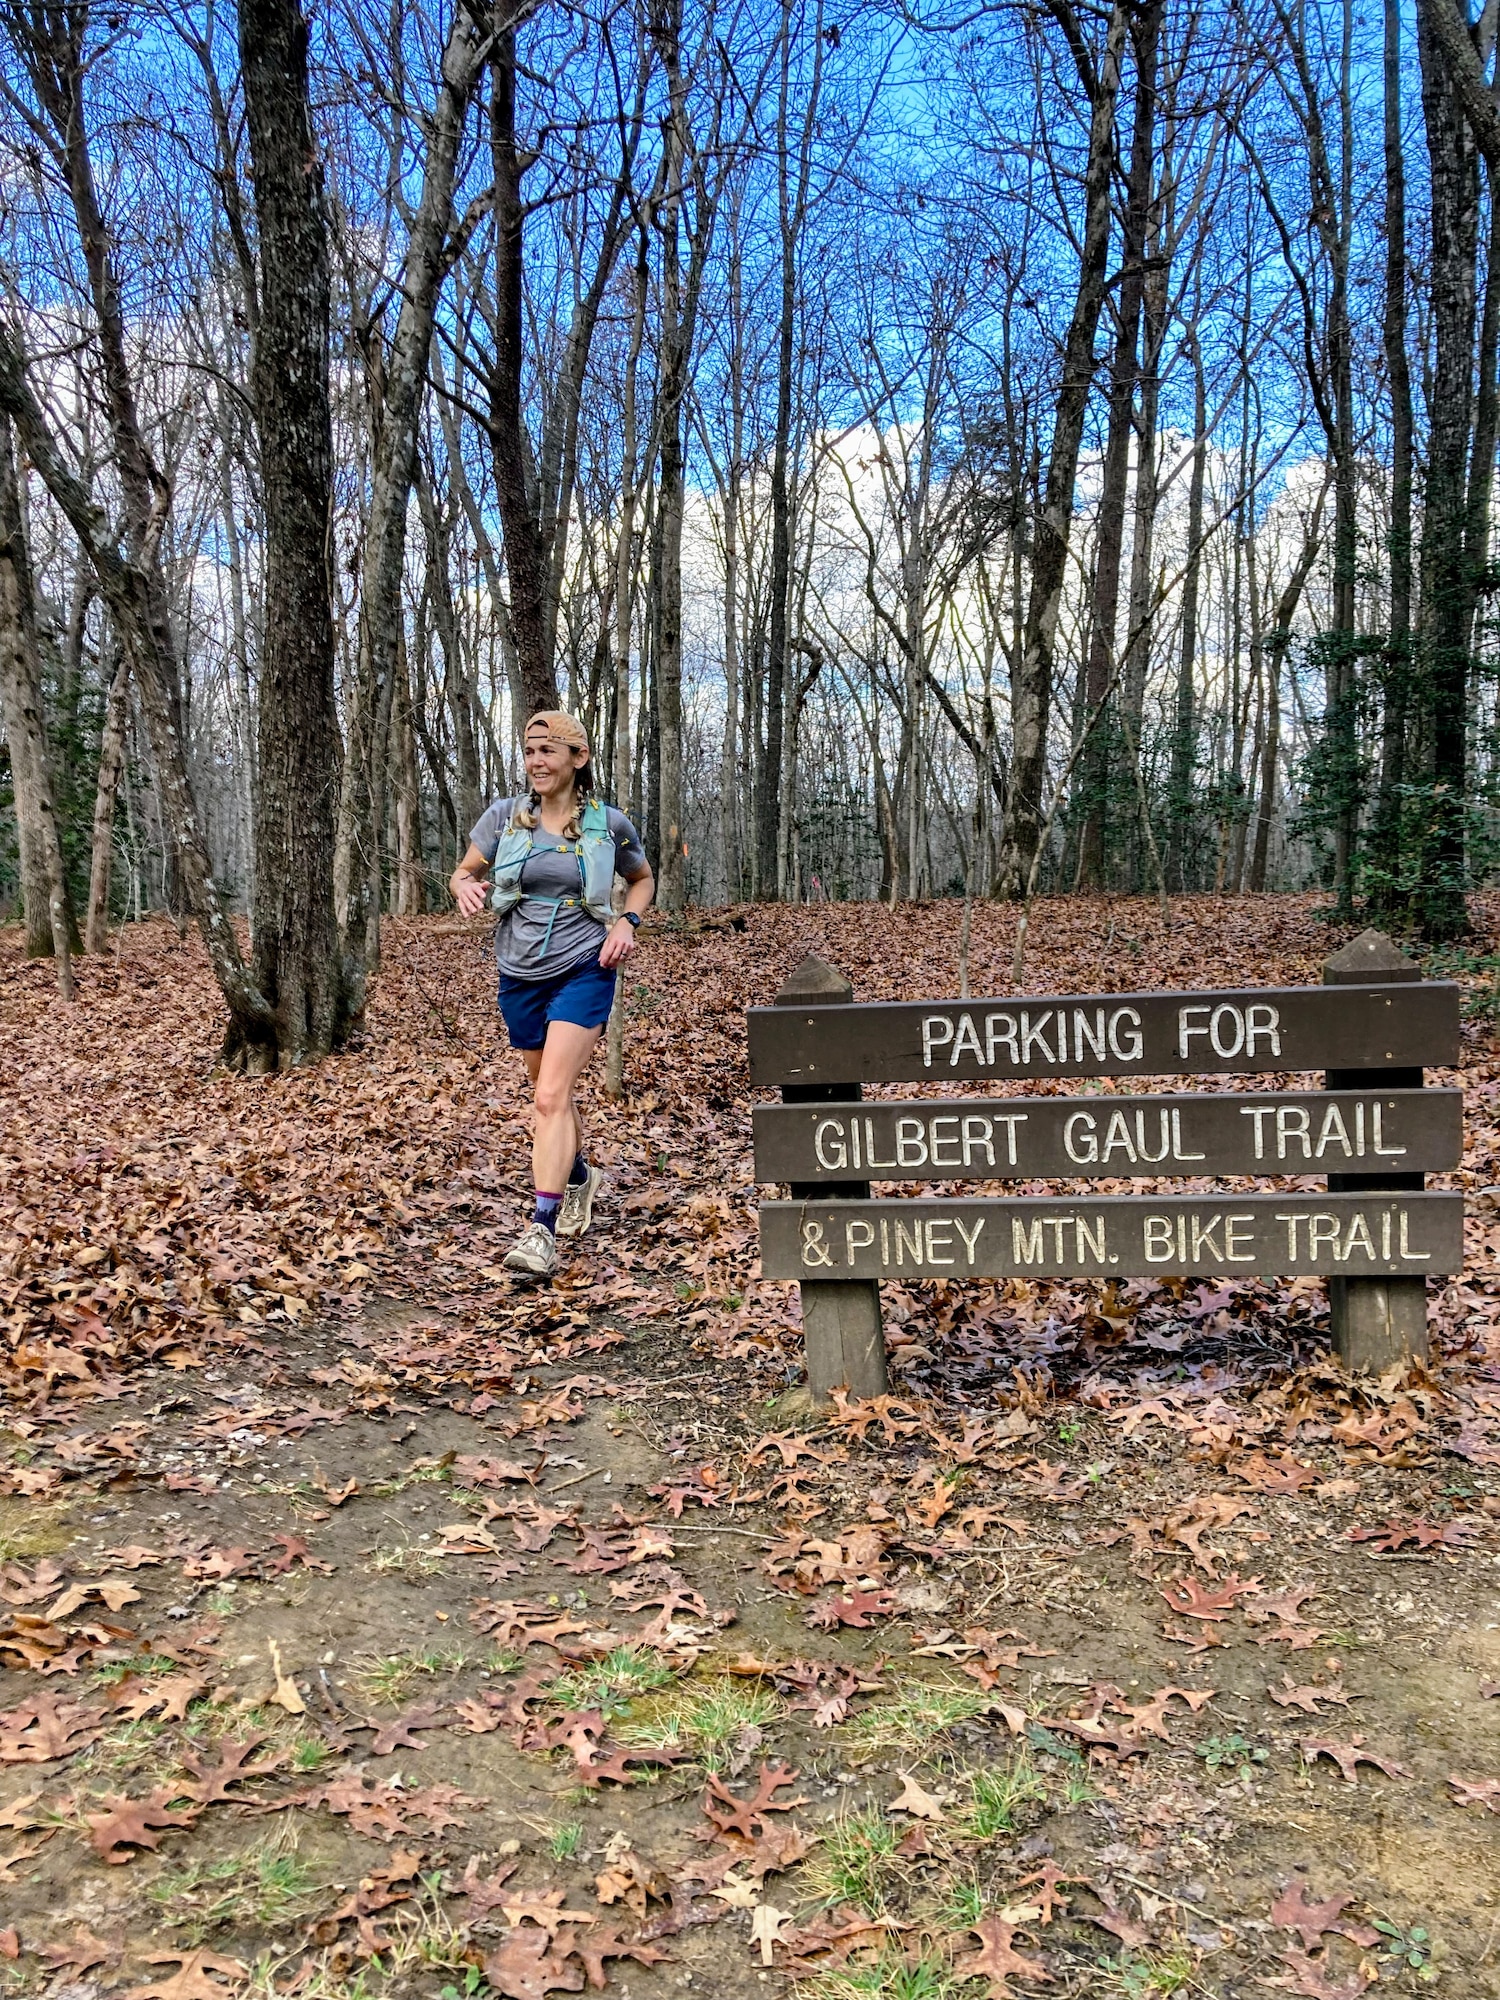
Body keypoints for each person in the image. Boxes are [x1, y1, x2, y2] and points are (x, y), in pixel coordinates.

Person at [449, 711, 654, 1277]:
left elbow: (642, 880)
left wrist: (625, 924)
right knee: (549, 1095)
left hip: (584, 968)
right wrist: (465, 884)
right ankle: (581, 1176)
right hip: (517, 971)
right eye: (530, 751)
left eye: (548, 751)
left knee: (549, 1098)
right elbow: (462, 871)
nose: (537, 762)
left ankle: (541, 1230)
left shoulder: (609, 824)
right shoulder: (504, 818)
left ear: (577, 759)